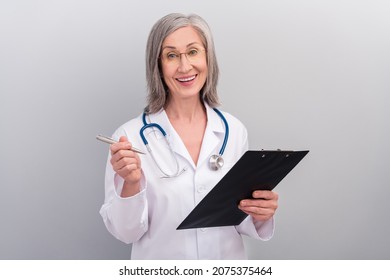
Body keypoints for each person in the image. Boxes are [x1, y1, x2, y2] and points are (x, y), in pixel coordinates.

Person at [100, 13, 278, 259]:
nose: (185, 67)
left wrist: (260, 212)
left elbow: (238, 220)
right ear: (158, 66)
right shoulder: (128, 137)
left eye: (193, 52)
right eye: (171, 55)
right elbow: (125, 232)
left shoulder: (233, 131)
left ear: (207, 57)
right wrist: (130, 183)